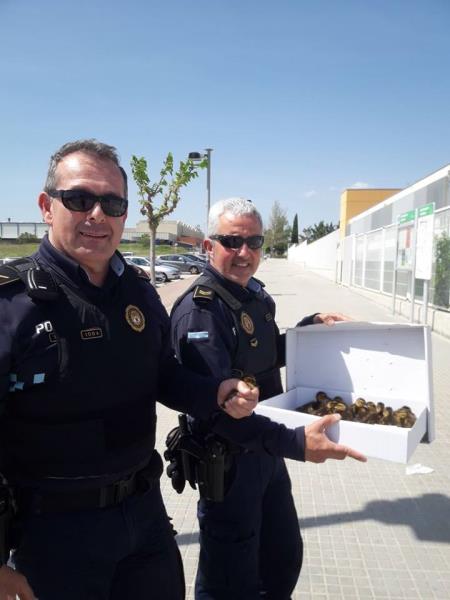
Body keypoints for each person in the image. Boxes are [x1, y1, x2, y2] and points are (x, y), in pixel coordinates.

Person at [0, 142, 260, 600]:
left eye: (112, 203)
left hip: (143, 517)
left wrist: (216, 392)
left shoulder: (138, 293)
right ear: (46, 206)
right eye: (80, 199)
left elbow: (164, 376)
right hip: (53, 536)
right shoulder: (11, 305)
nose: (98, 215)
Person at [170, 197, 365, 600]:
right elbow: (216, 412)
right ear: (208, 246)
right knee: (230, 583)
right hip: (229, 465)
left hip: (267, 454)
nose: (245, 253)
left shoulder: (252, 296)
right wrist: (297, 443)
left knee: (281, 560)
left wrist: (307, 330)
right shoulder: (200, 313)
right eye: (232, 241)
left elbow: (263, 352)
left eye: (254, 242)